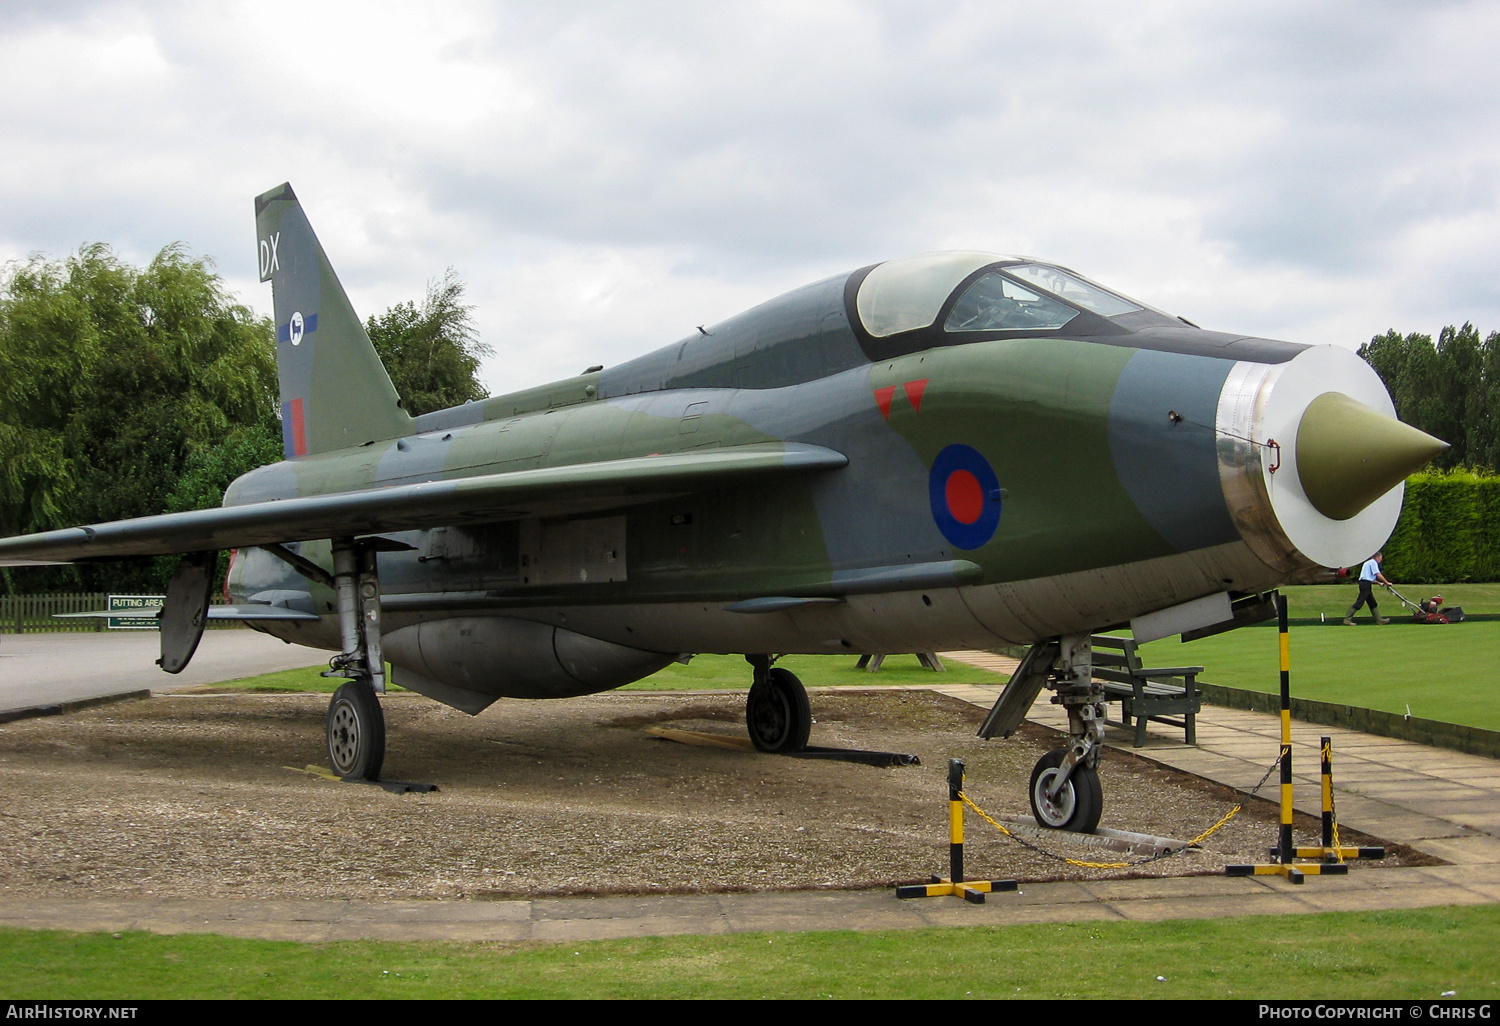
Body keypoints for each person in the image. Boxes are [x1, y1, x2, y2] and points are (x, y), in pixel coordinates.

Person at [1344, 552, 1392, 625]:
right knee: (1360, 601)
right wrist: (1387, 582)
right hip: (1365, 584)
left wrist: (1378, 583)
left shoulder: (1368, 563)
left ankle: (1379, 620)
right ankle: (1347, 619)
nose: (1381, 560)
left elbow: (1368, 576)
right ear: (1378, 557)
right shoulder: (1373, 562)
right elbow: (1378, 574)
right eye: (1381, 558)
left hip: (1365, 583)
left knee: (1372, 602)